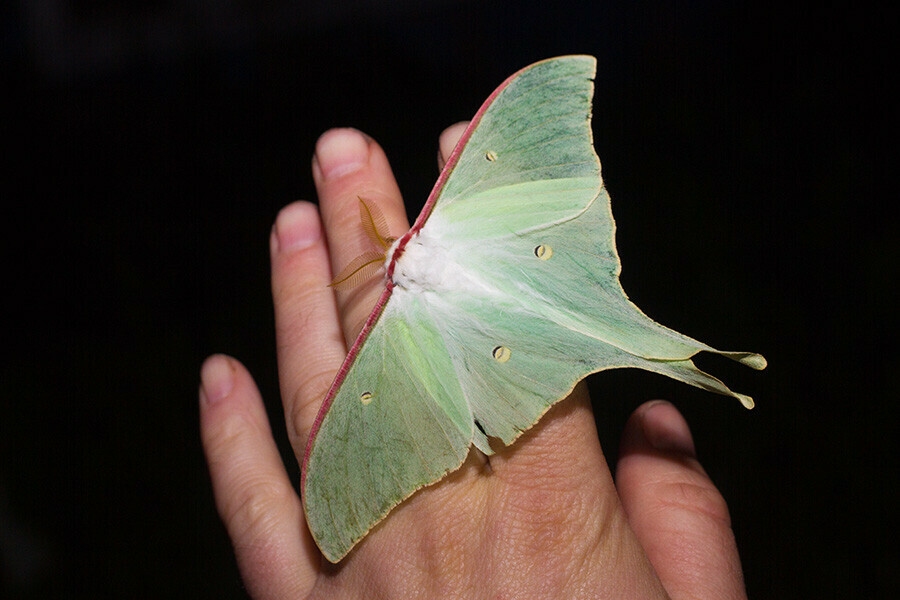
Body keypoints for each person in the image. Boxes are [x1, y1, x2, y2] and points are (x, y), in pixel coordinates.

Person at [198, 126, 749, 599]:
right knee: (623, 335)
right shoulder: (416, 264)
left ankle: (704, 363)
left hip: (504, 321)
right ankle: (717, 363)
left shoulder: (395, 311)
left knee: (622, 338)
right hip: (519, 272)